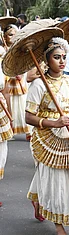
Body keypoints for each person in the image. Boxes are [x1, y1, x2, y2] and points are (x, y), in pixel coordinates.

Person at [25, 37, 69, 235]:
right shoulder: (38, 85)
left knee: (67, 176)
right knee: (54, 179)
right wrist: (53, 123)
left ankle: (36, 198)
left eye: (64, 57)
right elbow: (28, 117)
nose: (62, 61)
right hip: (47, 137)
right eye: (56, 57)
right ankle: (59, 226)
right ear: (46, 60)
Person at [3, 24, 31, 140]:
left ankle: (29, 130)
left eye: (15, 35)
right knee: (11, 108)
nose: (13, 37)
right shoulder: (3, 51)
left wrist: (21, 73)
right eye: (10, 35)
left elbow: (25, 65)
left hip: (21, 83)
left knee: (24, 107)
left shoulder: (19, 50)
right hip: (8, 84)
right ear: (4, 37)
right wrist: (13, 75)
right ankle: (10, 129)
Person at [0, 59, 12, 207]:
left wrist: (10, 114)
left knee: (1, 153)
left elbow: (6, 92)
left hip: (1, 114)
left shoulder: (2, 67)